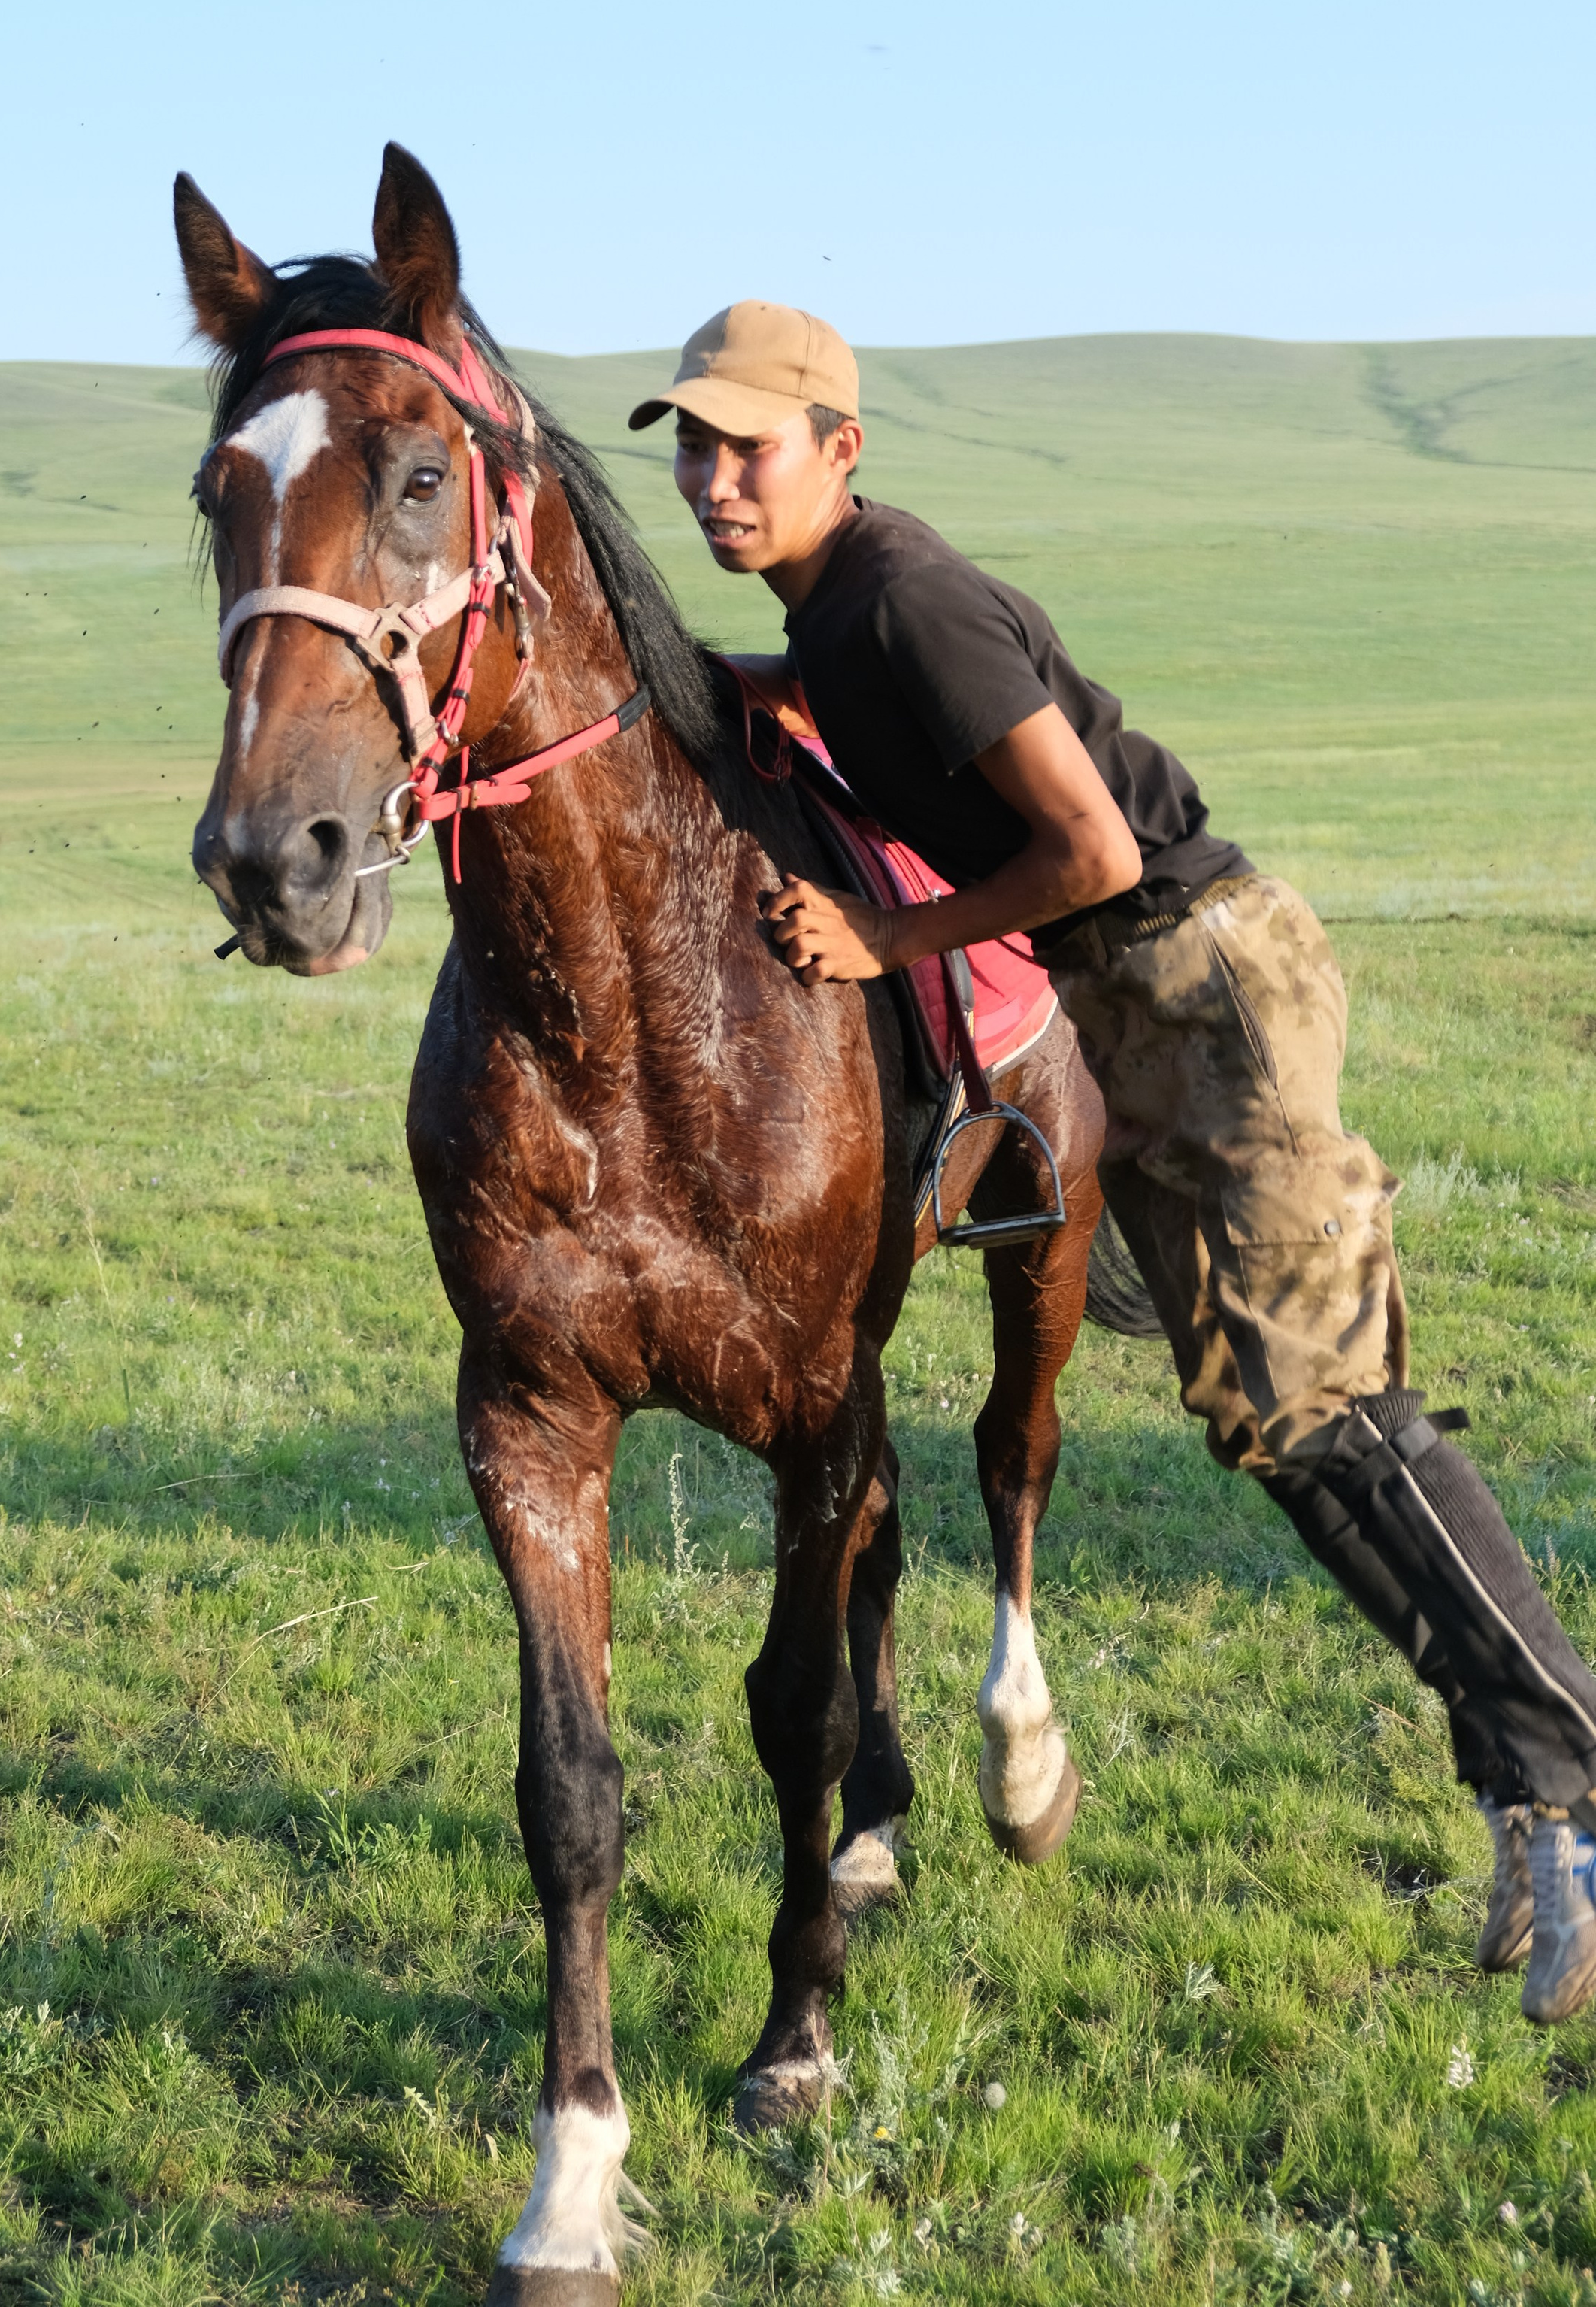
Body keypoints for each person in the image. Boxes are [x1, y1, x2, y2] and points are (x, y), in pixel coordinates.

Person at [631, 298, 1596, 2021]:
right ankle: (1531, 1786)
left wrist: (883, 932)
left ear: (837, 451)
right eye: (690, 447)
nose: (711, 479)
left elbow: (1080, 845)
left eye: (746, 447)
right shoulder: (839, 618)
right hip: (1138, 1002)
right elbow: (860, 718)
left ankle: (1564, 1787)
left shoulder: (901, 601)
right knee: (1269, 1422)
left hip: (1194, 980)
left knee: (1323, 1411)